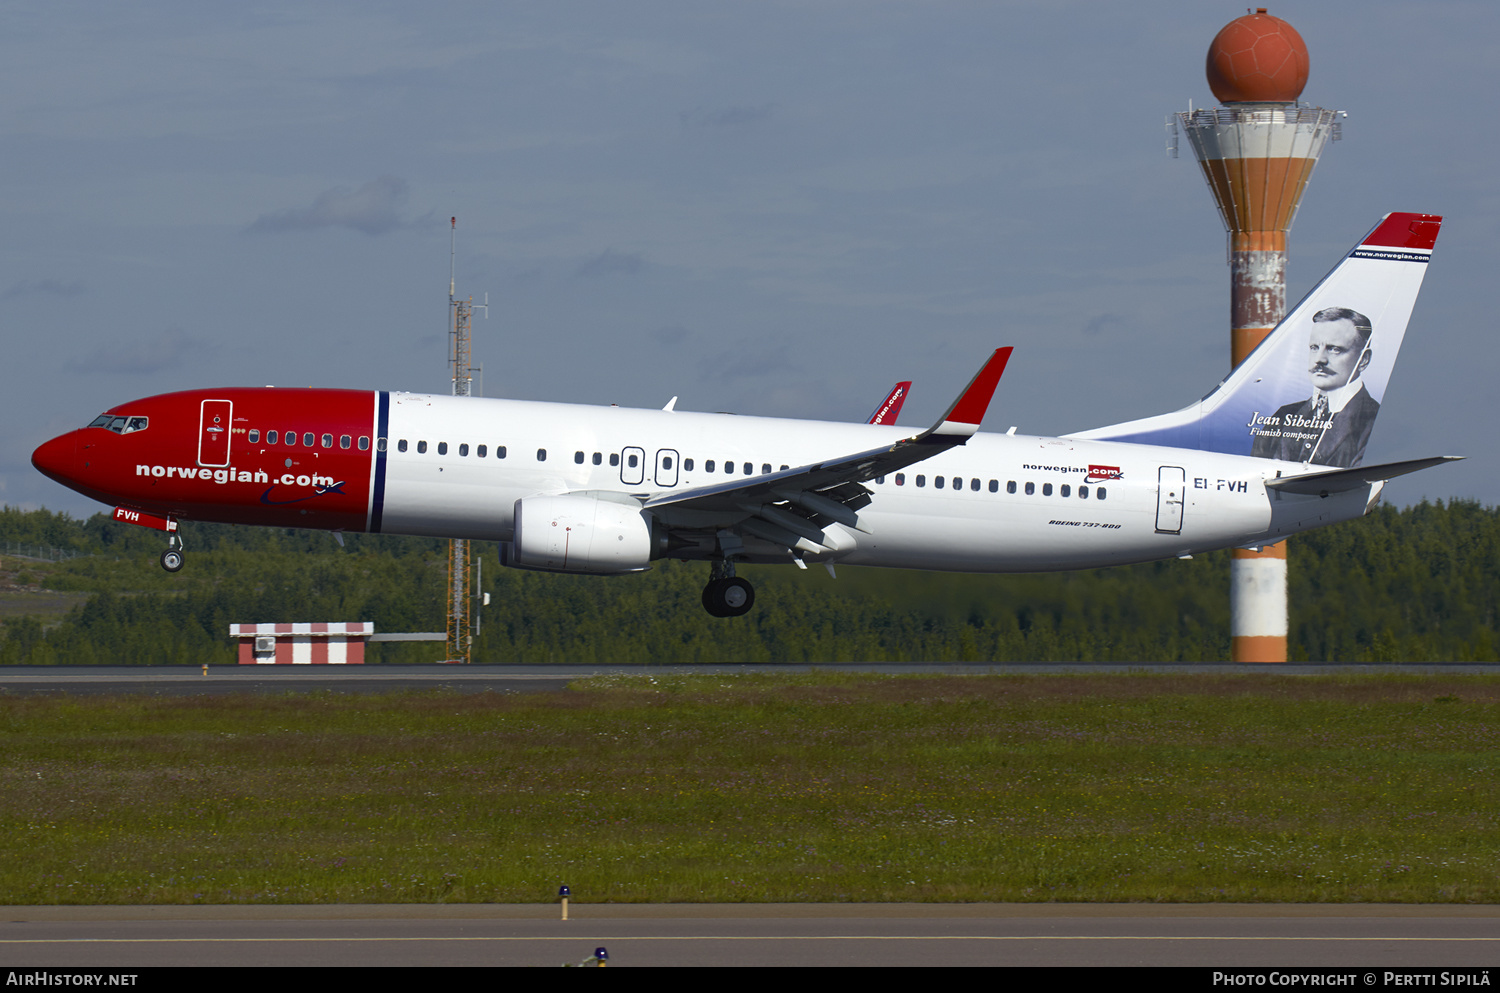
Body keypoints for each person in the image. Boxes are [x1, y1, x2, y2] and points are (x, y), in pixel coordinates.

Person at [1250, 307, 1379, 467]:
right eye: (1314, 348)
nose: (1319, 359)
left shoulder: (1374, 422)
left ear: (1364, 359)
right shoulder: (1283, 415)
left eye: (1334, 349)